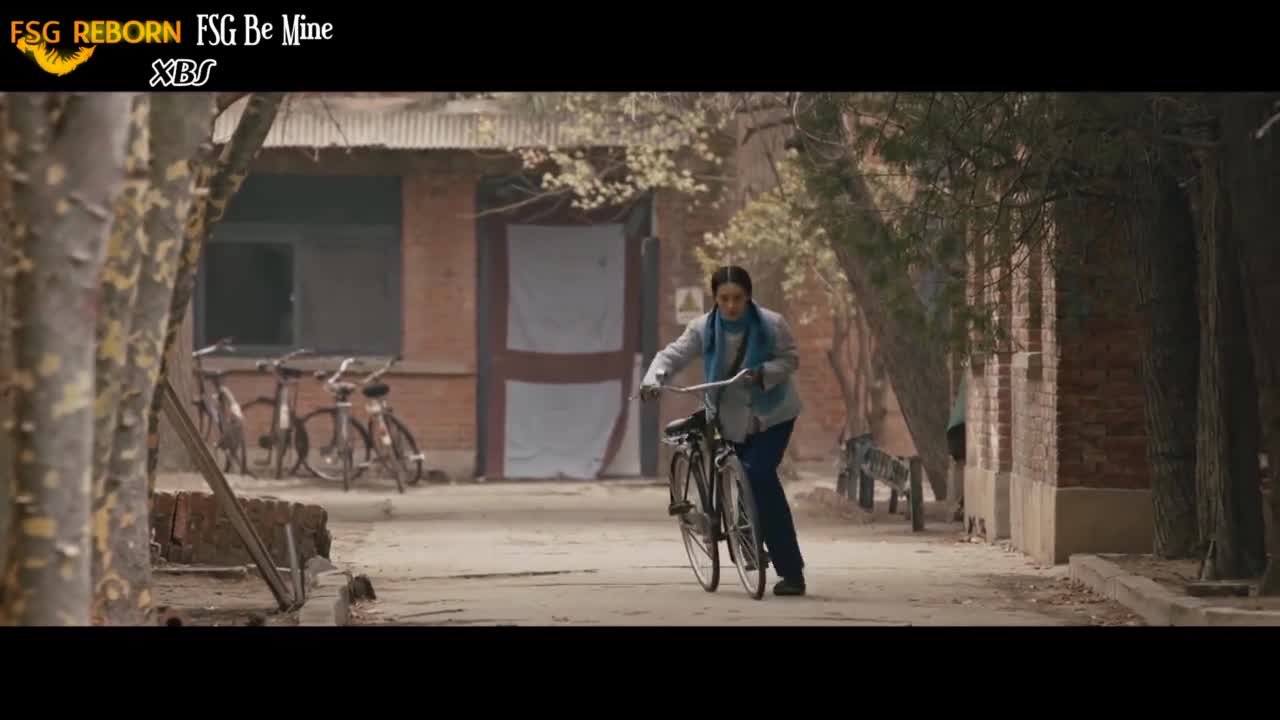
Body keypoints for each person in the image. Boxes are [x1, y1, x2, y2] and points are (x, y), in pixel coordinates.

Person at [639, 265, 808, 597]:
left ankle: (791, 571)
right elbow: (672, 355)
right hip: (730, 418)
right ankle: (749, 546)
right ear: (714, 298)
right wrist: (653, 379)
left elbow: (791, 359)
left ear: (749, 298)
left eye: (738, 298)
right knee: (745, 479)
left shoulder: (772, 324)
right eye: (724, 298)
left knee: (758, 475)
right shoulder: (702, 329)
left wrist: (763, 373)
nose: (731, 306)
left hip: (772, 415)